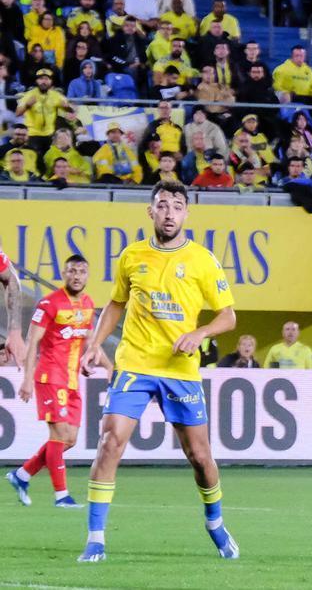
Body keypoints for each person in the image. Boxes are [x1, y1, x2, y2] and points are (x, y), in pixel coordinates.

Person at [76, 181, 239, 562]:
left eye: (177, 206)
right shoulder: (132, 256)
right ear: (150, 212)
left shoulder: (202, 260)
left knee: (199, 456)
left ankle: (214, 521)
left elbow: (228, 316)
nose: (169, 213)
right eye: (162, 205)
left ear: (186, 214)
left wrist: (199, 333)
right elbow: (116, 304)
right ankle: (96, 539)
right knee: (110, 441)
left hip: (179, 370)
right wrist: (95, 343)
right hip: (134, 363)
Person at [6, 255, 94, 508]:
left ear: (87, 275)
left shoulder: (87, 304)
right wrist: (27, 380)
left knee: (70, 439)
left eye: (81, 271)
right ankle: (61, 495)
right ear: (64, 274)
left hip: (72, 379)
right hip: (50, 376)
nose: (76, 276)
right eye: (71, 271)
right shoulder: (49, 303)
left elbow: (87, 339)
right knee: (59, 434)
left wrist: (96, 361)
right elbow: (32, 342)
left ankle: (21, 475)